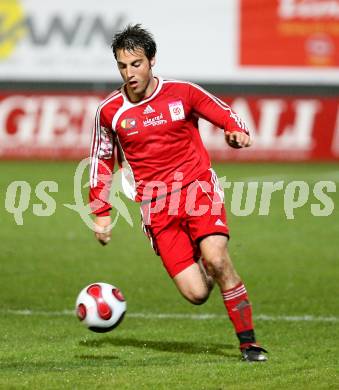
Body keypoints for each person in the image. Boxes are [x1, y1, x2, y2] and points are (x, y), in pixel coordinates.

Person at [89, 24, 267, 362]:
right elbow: (100, 161)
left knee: (216, 257)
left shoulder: (182, 92)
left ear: (152, 61)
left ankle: (249, 344)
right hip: (155, 206)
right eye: (123, 66)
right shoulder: (110, 111)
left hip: (197, 189)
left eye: (136, 64)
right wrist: (99, 211)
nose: (130, 73)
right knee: (197, 293)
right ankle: (207, 261)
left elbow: (225, 115)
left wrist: (236, 132)